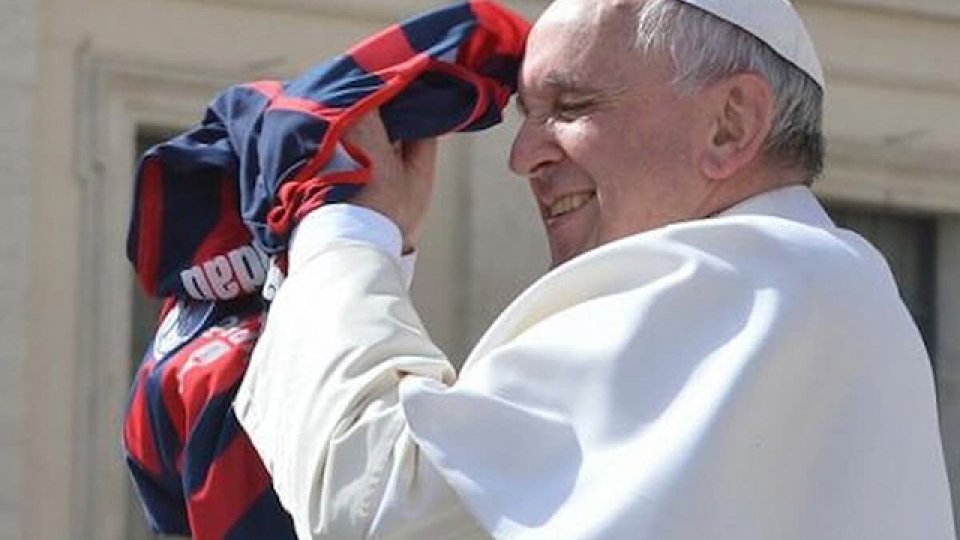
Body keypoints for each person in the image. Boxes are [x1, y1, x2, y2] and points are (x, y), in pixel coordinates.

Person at [234, 0, 956, 538]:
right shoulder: (820, 286)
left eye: (572, 105)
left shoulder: (754, 276)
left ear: (730, 123)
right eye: (525, 115)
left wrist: (343, 226)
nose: (524, 157)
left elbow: (374, 501)